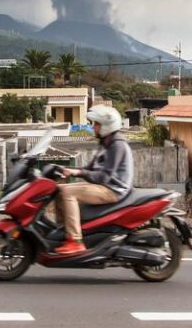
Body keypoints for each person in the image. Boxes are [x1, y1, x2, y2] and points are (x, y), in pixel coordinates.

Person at [53, 105, 134, 255]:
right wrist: (68, 171)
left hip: (113, 190)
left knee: (69, 193)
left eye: (97, 124)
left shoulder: (117, 145)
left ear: (107, 126)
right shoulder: (105, 143)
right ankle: (63, 232)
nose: (93, 128)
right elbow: (90, 168)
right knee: (59, 190)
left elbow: (104, 176)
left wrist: (77, 172)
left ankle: (75, 241)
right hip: (105, 186)